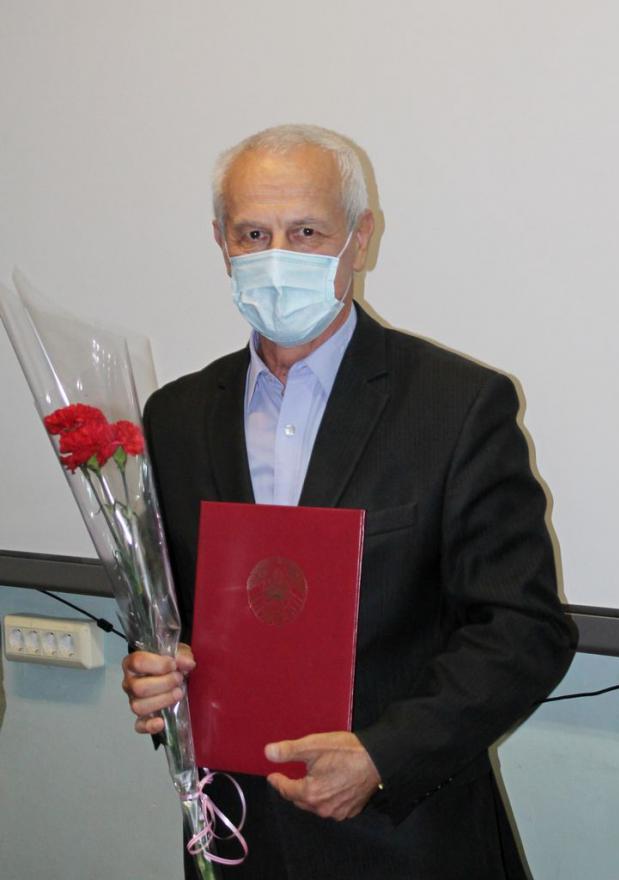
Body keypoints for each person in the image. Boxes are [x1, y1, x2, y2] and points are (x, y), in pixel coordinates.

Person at [122, 124, 575, 879]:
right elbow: (171, 621)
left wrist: (382, 756)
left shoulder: (456, 407)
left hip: (404, 840)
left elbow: (524, 629)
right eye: (253, 234)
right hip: (235, 833)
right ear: (221, 243)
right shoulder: (175, 417)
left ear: (359, 240)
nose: (276, 255)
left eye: (306, 232)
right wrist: (154, 673)